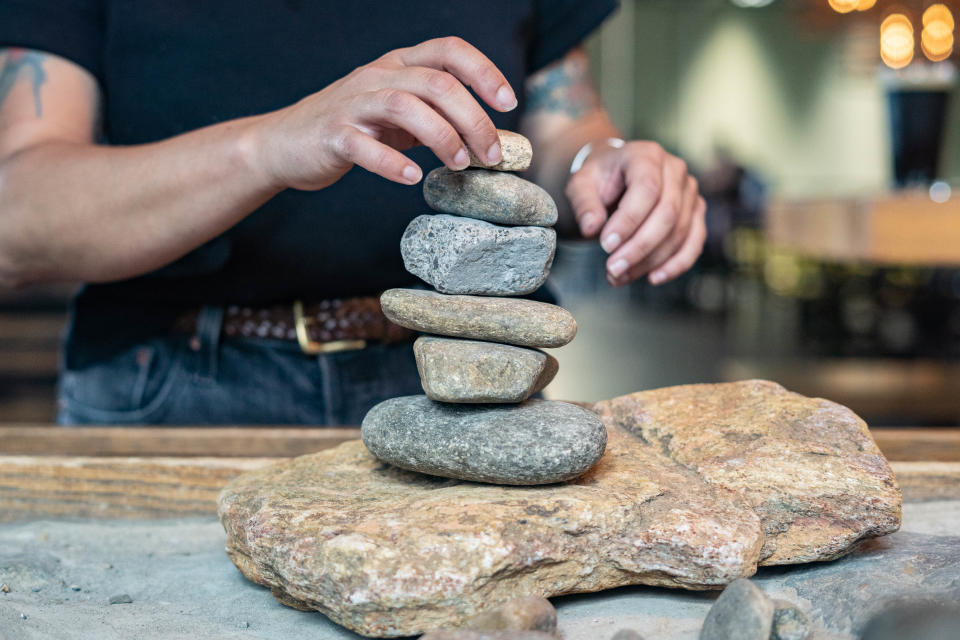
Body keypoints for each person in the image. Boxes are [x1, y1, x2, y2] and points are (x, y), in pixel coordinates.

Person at [0, 1, 706, 425]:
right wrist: (270, 147)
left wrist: (599, 164)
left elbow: (560, 129)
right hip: (174, 382)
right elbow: (18, 217)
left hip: (463, 377)